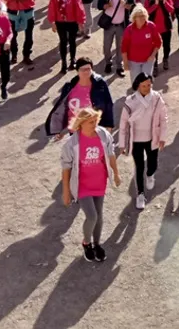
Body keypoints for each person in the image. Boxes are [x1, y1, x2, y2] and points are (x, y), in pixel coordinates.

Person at [60, 106, 119, 262]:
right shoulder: (72, 143)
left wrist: (116, 174)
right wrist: (66, 191)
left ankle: (97, 244)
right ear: (81, 124)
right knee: (91, 216)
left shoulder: (103, 135)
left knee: (99, 216)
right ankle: (87, 243)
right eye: (90, 122)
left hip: (99, 182)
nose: (94, 125)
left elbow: (111, 154)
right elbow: (66, 168)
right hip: (82, 185)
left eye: (95, 121)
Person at [118, 73, 168, 210]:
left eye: (149, 85)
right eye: (143, 85)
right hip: (136, 140)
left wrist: (162, 137)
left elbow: (163, 118)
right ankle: (140, 194)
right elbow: (123, 124)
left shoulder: (157, 98)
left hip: (152, 137)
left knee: (152, 164)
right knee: (139, 167)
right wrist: (122, 144)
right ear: (137, 85)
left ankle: (150, 175)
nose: (146, 88)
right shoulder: (130, 101)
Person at [45, 58, 116, 137]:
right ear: (77, 71)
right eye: (83, 69)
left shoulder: (100, 84)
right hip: (76, 130)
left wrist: (109, 126)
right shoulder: (69, 87)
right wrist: (60, 131)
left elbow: (108, 103)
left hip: (94, 127)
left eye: (88, 69)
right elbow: (63, 109)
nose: (86, 72)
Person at [97, 0, 135, 78]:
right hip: (109, 25)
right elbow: (99, 5)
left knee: (121, 47)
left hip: (122, 25)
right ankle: (108, 63)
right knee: (107, 46)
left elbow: (133, 6)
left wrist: (125, 5)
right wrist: (107, 5)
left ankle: (119, 66)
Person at [3, 0, 39, 67]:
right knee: (12, 35)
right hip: (13, 11)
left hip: (27, 10)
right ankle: (14, 55)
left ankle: (26, 55)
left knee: (29, 35)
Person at [47, 0, 85, 74]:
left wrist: (81, 21)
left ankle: (73, 59)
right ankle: (63, 62)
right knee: (63, 41)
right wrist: (52, 22)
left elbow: (79, 6)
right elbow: (52, 7)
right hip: (61, 21)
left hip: (72, 21)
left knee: (72, 41)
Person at [121, 5, 162, 85]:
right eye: (139, 16)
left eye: (143, 16)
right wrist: (125, 63)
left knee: (146, 82)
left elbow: (158, 42)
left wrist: (153, 55)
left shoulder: (151, 26)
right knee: (136, 83)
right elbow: (124, 47)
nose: (142, 18)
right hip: (134, 61)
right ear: (134, 18)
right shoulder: (129, 29)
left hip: (148, 60)